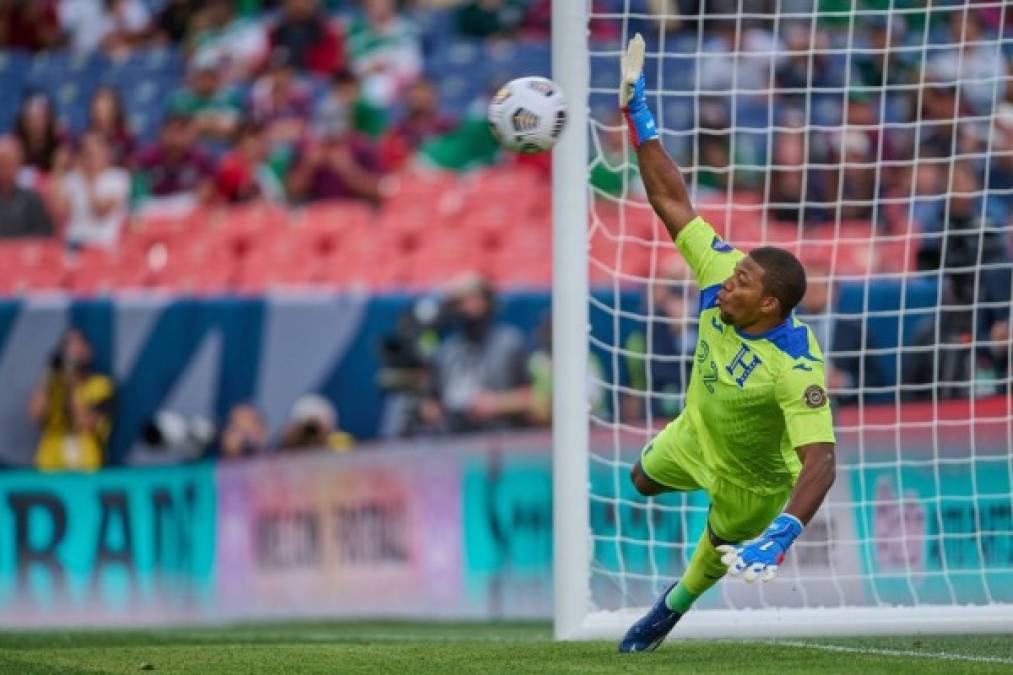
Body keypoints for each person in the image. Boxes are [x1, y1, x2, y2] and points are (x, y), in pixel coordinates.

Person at [616, 35, 836, 652]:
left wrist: (786, 527)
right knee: (639, 480)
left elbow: (822, 460)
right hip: (694, 430)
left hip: (753, 478)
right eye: (732, 271)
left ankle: (667, 611)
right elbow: (669, 198)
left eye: (741, 281)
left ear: (769, 304)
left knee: (714, 550)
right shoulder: (720, 271)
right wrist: (639, 116)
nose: (725, 282)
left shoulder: (795, 366)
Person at [420, 275, 532, 434]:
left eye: (462, 301)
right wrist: (437, 412)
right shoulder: (446, 351)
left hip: (501, 438)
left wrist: (497, 404)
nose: (458, 310)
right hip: (454, 440)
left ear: (484, 300)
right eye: (453, 304)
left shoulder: (510, 343)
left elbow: (534, 398)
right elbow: (432, 401)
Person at [29, 329, 115, 471]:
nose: (74, 354)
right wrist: (48, 377)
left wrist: (71, 387)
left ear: (88, 352)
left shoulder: (101, 385)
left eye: (79, 347)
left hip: (87, 465)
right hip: (49, 465)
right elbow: (35, 414)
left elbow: (84, 422)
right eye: (69, 347)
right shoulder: (52, 386)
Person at [54, 132, 130, 249]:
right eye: (86, 152)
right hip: (74, 242)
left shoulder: (118, 178)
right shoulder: (73, 178)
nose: (90, 157)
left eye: (94, 153)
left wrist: (88, 180)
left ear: (106, 153)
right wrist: (59, 169)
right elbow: (59, 211)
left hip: (104, 244)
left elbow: (100, 211)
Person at [0, 136, 55, 238]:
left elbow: (45, 232)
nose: (5, 170)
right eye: (2, 164)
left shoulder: (33, 198)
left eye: (9, 164)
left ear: (19, 164)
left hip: (25, 251)